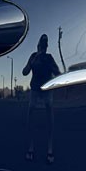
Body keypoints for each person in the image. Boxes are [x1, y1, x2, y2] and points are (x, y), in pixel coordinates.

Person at [22, 33, 61, 163]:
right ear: (38, 46)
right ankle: (31, 146)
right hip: (34, 89)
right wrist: (34, 60)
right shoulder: (33, 56)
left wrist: (52, 69)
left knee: (50, 111)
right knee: (31, 111)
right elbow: (24, 72)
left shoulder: (49, 58)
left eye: (44, 46)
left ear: (46, 47)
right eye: (41, 45)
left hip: (46, 89)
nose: (42, 48)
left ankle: (50, 147)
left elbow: (57, 73)